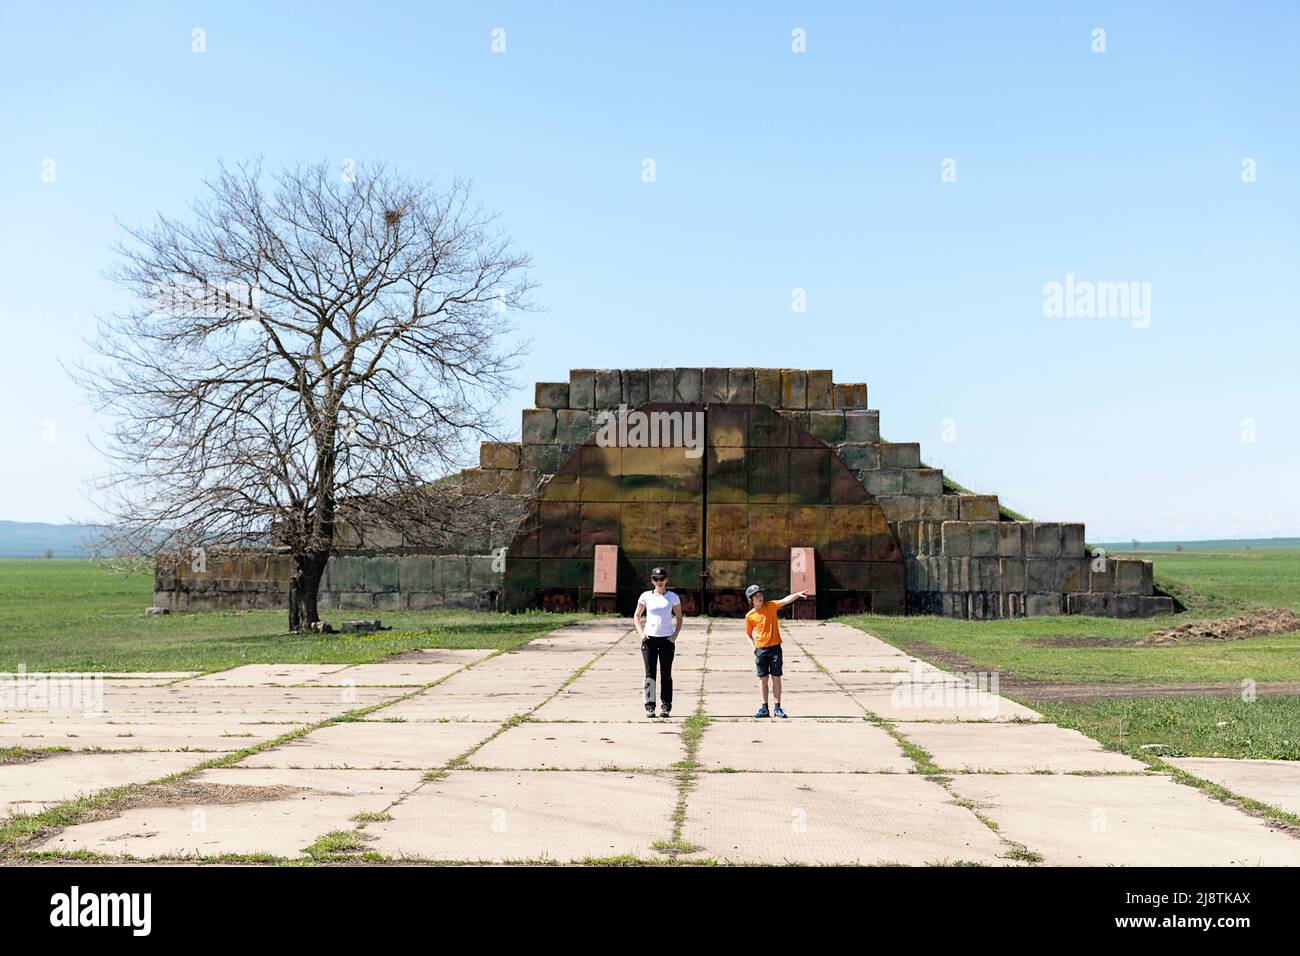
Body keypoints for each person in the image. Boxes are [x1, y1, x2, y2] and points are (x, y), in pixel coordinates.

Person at [743, 584, 809, 718]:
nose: (760, 596)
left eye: (760, 594)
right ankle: (764, 708)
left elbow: (785, 600)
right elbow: (748, 634)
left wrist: (797, 595)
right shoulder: (750, 616)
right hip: (761, 650)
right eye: (756, 595)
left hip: (775, 649)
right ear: (751, 599)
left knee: (776, 678)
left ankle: (777, 708)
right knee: (763, 679)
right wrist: (754, 649)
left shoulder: (771, 606)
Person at [634, 567, 682, 718]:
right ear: (652, 581)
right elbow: (636, 616)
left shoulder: (673, 597)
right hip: (649, 640)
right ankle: (650, 706)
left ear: (666, 580)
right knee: (650, 674)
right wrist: (641, 634)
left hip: (666, 639)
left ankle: (666, 706)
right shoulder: (645, 596)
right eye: (656, 579)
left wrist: (674, 636)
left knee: (666, 674)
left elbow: (679, 618)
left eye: (662, 579)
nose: (659, 582)